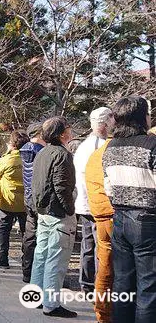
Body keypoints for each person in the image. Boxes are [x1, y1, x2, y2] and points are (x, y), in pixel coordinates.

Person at [102, 96, 156, 322]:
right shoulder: (151, 144)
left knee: (123, 282)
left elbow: (109, 188)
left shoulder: (110, 147)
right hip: (147, 219)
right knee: (148, 286)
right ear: (142, 117)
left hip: (120, 217)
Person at [30, 116, 77, 318]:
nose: (71, 131)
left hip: (43, 212)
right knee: (55, 261)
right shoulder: (62, 155)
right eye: (68, 128)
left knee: (41, 256)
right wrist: (70, 209)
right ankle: (51, 303)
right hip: (58, 214)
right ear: (61, 134)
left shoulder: (42, 153)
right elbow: (62, 188)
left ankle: (35, 297)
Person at [73, 107, 113, 294]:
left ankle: (86, 284)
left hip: (83, 202)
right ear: (105, 123)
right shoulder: (100, 147)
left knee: (87, 245)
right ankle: (98, 286)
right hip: (95, 203)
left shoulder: (83, 145)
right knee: (100, 247)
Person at [86, 136, 114, 323]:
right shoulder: (115, 152)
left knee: (105, 267)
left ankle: (102, 313)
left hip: (101, 213)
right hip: (117, 215)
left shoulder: (95, 154)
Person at [0, 130, 29, 269]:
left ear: (12, 144)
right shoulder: (30, 158)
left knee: (3, 230)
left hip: (8, 199)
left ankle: (3, 258)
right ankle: (27, 259)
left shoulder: (7, 159)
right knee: (27, 232)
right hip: (25, 200)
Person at [20, 122, 45, 283]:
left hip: (28, 195)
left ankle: (26, 269)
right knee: (41, 235)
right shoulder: (40, 151)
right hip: (39, 196)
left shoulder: (24, 149)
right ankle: (37, 271)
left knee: (29, 234)